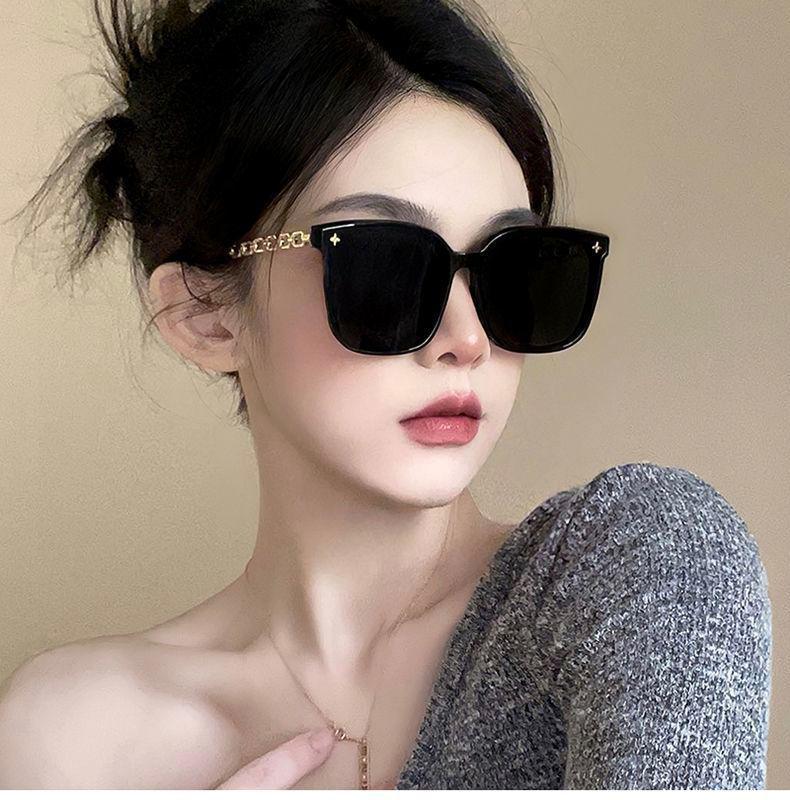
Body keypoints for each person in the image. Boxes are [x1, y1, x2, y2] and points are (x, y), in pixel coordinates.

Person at [0, 0, 770, 790]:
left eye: (511, 269)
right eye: (386, 266)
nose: (467, 338)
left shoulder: (641, 573)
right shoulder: (69, 738)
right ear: (204, 315)